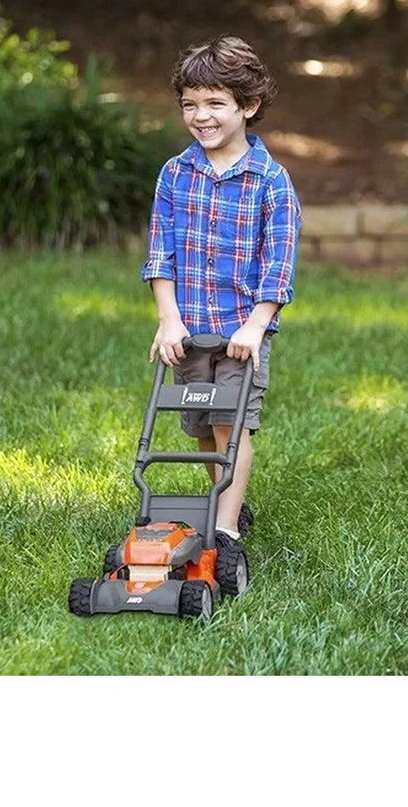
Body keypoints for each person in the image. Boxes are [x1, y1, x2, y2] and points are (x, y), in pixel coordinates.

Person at [141, 35, 301, 548]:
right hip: (190, 328)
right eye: (190, 104)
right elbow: (160, 253)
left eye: (214, 103)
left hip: (240, 332)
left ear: (248, 105)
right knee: (201, 426)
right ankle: (226, 500)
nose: (201, 116)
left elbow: (278, 266)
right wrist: (169, 319)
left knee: (231, 425)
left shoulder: (270, 181)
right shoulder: (174, 174)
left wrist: (256, 326)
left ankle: (225, 529)